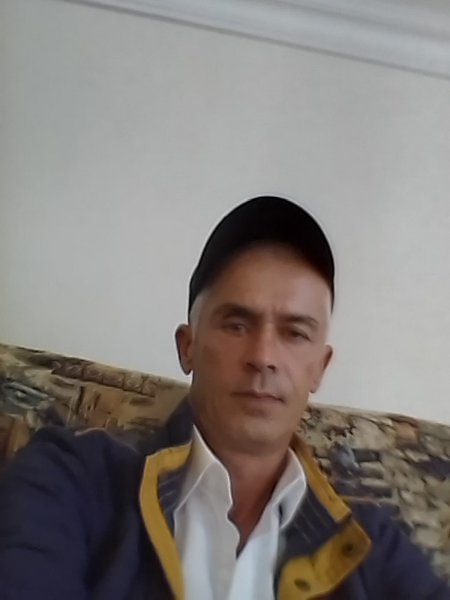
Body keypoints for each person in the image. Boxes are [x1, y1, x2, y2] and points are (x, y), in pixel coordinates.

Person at [0, 196, 448, 600]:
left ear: (320, 367)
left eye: (295, 333)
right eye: (237, 324)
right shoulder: (72, 478)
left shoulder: (374, 546)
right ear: (187, 346)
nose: (263, 357)